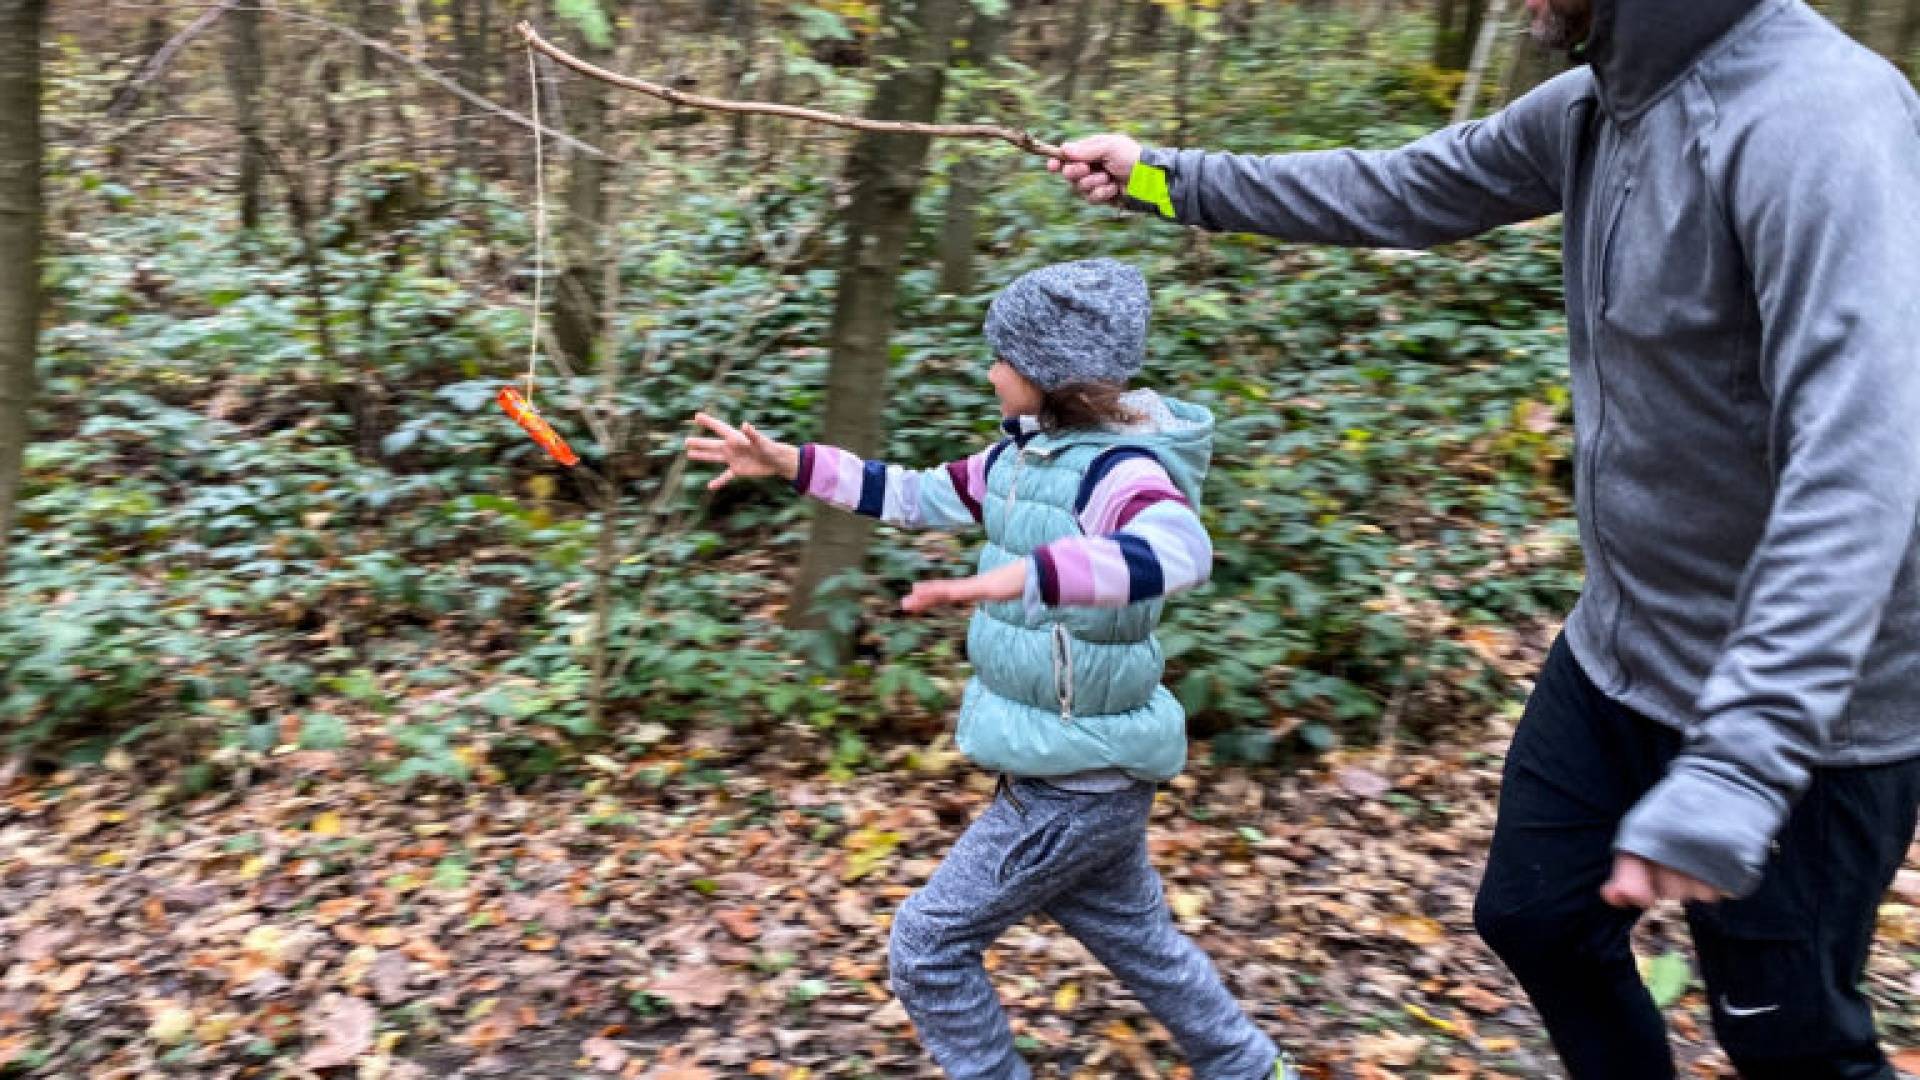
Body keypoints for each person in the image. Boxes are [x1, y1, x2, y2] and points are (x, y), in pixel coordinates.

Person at [1050, 2, 1920, 1077]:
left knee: (1790, 1044)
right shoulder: (1604, 104)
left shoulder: (1821, 120)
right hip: (1626, 651)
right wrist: (1160, 177)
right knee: (1534, 918)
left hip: (1806, 714)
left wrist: (1744, 759)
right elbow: (1402, 186)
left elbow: (1862, 463)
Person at [684, 259, 1298, 1080]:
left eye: (1001, 358)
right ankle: (1253, 1069)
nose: (989, 372)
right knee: (1143, 946)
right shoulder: (1023, 459)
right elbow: (912, 494)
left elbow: (1180, 551)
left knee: (927, 947)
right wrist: (791, 462)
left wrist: (1036, 575)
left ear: (1048, 374)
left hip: (1076, 784)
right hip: (1079, 769)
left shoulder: (1120, 470)